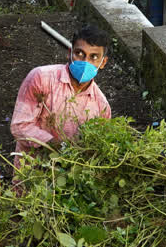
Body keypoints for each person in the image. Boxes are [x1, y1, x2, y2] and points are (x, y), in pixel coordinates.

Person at [10, 25, 111, 168]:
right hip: (31, 173)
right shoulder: (41, 78)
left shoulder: (101, 107)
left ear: (103, 62)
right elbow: (19, 126)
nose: (85, 62)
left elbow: (96, 148)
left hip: (70, 181)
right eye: (79, 53)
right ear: (69, 53)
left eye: (94, 57)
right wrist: (53, 144)